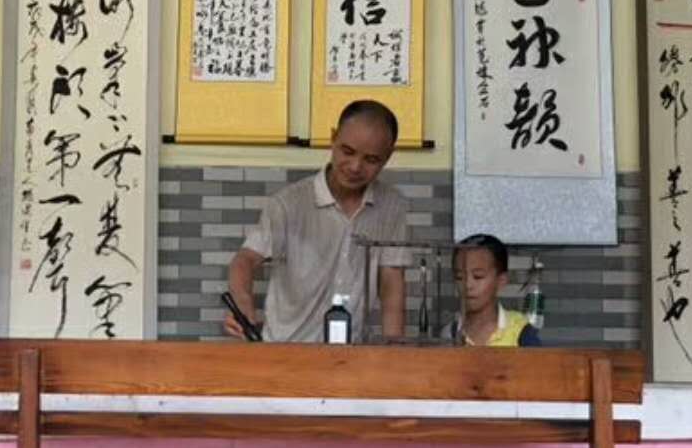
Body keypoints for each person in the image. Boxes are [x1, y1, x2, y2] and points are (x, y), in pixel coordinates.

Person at [225, 100, 409, 342]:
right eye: (347, 152)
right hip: (286, 348)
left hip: (351, 353)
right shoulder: (288, 204)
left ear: (388, 157)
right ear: (333, 138)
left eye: (371, 160)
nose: (355, 167)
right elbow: (245, 260)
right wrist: (242, 301)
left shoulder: (392, 206)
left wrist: (394, 352)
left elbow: (391, 285)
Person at [448, 233, 541, 347]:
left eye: (478, 276)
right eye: (460, 277)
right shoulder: (449, 334)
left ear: (501, 281)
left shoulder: (521, 332)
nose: (468, 285)